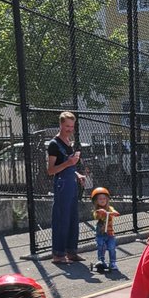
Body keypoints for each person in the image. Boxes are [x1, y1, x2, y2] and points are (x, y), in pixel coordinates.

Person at [47, 111, 86, 265]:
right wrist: (69, 164)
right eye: (67, 126)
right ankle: (58, 254)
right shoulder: (54, 144)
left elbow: (68, 166)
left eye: (72, 126)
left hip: (71, 183)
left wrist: (77, 174)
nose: (70, 129)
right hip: (62, 185)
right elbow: (51, 170)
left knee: (72, 218)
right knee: (61, 219)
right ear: (61, 125)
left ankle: (71, 251)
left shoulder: (69, 142)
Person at [90, 186, 120, 273]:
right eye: (100, 199)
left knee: (111, 247)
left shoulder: (110, 208)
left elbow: (114, 211)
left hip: (110, 233)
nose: (102, 200)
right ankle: (101, 260)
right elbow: (96, 216)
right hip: (100, 234)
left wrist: (114, 213)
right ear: (96, 201)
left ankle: (113, 262)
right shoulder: (96, 210)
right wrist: (100, 213)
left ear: (107, 199)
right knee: (101, 247)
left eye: (104, 198)